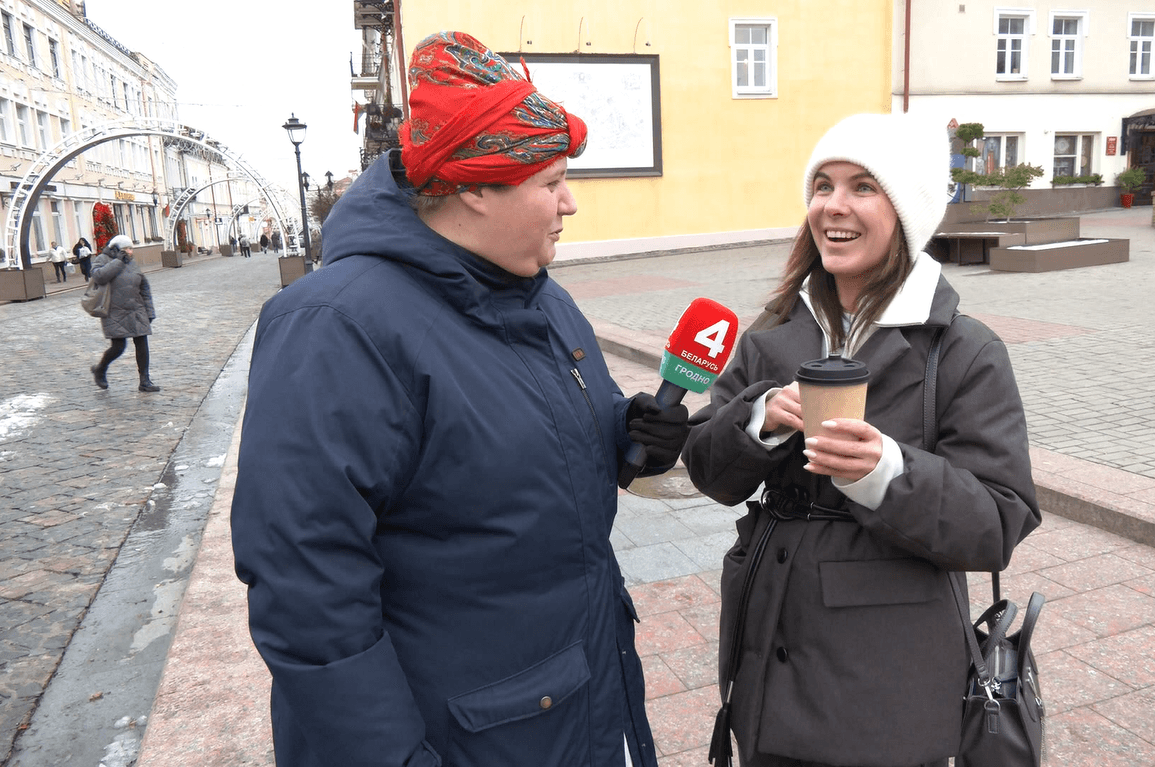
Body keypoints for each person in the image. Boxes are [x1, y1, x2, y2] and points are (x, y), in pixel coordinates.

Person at [230, 30, 686, 767]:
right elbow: (308, 590)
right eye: (551, 183)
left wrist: (626, 433)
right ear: (473, 186)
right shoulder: (337, 326)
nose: (570, 204)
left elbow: (510, 453)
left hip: (571, 706)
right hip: (454, 736)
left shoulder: (543, 299)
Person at [682, 113, 1041, 767]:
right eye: (822, 184)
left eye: (863, 186)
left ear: (905, 209)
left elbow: (996, 522)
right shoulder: (773, 332)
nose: (833, 206)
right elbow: (710, 469)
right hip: (769, 664)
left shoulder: (962, 350)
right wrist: (759, 417)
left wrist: (887, 471)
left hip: (885, 692)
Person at [89, 234, 159, 392]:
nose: (130, 251)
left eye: (131, 248)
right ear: (117, 249)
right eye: (127, 248)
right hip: (114, 311)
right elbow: (98, 277)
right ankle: (100, 368)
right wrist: (118, 261)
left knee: (142, 343)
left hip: (136, 309)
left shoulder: (131, 262)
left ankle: (145, 380)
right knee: (118, 347)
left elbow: (144, 287)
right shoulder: (103, 259)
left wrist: (149, 310)